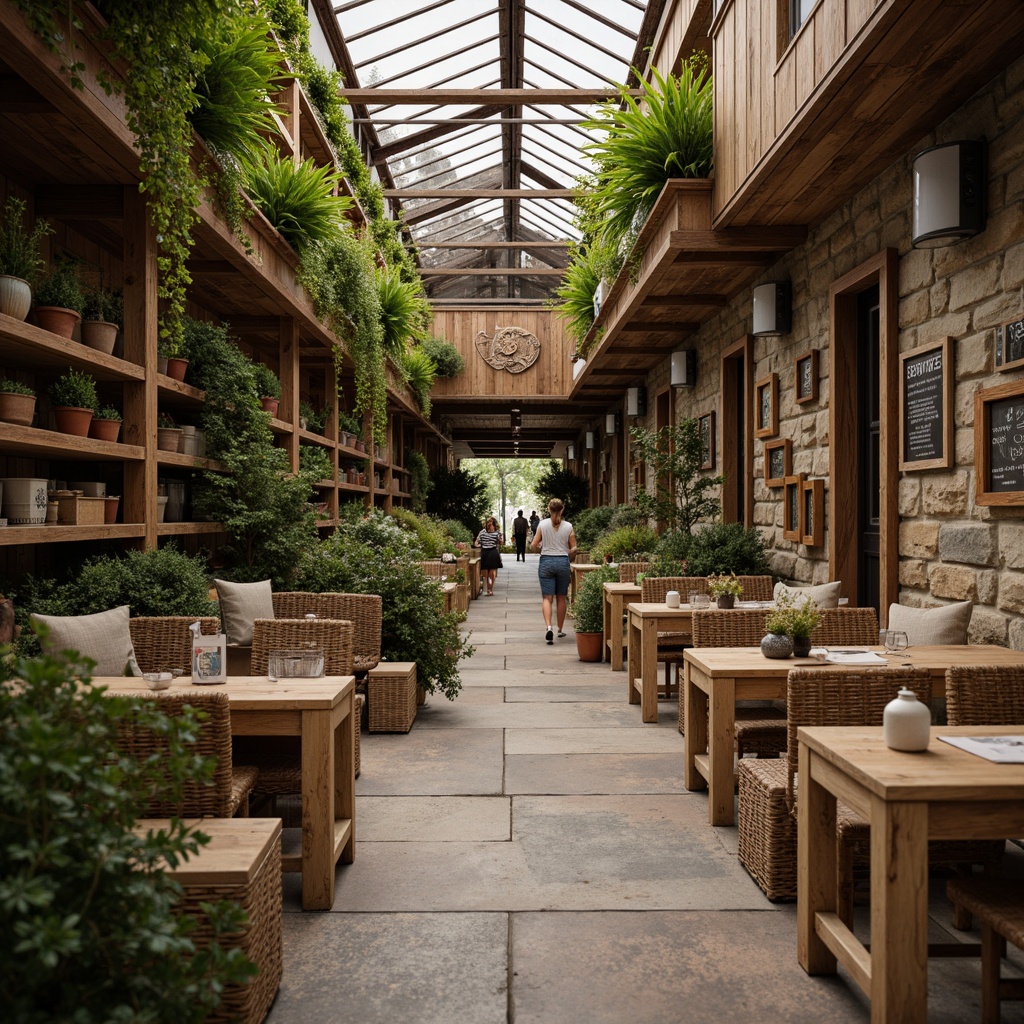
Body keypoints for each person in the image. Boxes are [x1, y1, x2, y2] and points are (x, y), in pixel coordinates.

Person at [530, 498, 577, 644]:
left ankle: (549, 627)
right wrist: (571, 554)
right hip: (562, 562)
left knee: (547, 598)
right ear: (562, 510)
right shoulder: (568, 526)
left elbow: (533, 545)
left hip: (546, 562)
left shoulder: (542, 525)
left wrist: (540, 549)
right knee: (561, 597)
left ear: (548, 509)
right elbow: (574, 548)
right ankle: (560, 629)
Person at [474, 516, 504, 596]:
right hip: (485, 552)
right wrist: (481, 545)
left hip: (493, 552)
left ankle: (490, 589)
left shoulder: (497, 533)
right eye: (488, 524)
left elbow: (501, 543)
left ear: (494, 525)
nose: (489, 526)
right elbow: (476, 543)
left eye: (490, 524)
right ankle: (489, 588)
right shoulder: (482, 532)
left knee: (492, 572)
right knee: (486, 572)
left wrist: (500, 540)